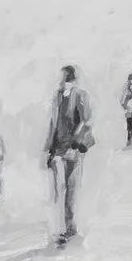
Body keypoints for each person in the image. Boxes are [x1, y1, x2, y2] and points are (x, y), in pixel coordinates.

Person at [45, 66, 93, 244]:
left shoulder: (80, 95)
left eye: (63, 77)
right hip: (58, 149)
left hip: (73, 149)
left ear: (70, 79)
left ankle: (70, 226)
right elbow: (53, 123)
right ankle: (61, 230)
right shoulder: (57, 96)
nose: (60, 81)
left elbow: (86, 120)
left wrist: (75, 145)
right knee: (60, 188)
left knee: (71, 189)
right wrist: (49, 149)